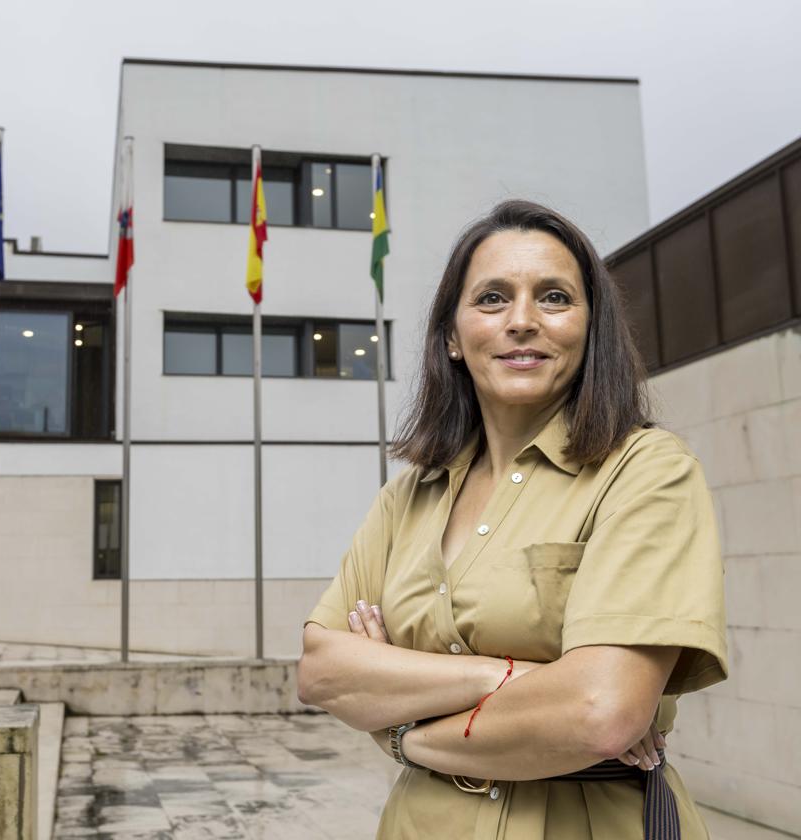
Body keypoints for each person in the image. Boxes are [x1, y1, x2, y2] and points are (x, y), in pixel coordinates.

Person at [297, 199, 728, 839]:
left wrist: (402, 726)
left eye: (553, 298)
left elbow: (598, 711)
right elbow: (322, 668)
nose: (521, 321)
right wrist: (505, 677)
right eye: (493, 299)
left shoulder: (646, 472)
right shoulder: (409, 495)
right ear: (451, 336)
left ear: (591, 327)